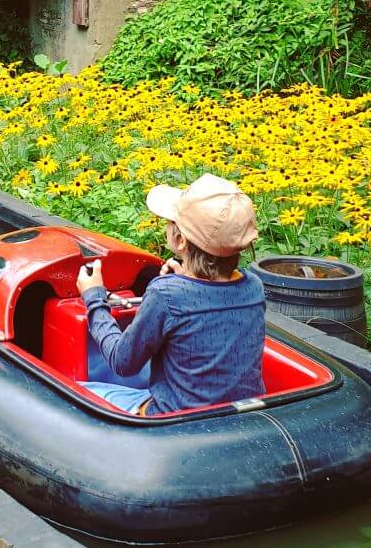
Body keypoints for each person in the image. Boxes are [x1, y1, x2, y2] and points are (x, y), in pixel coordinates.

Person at [75, 174, 266, 416]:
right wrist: (185, 276)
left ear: (180, 240)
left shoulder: (167, 294)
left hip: (174, 419)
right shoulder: (254, 288)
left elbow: (122, 363)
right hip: (238, 416)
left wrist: (93, 296)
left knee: (72, 393)